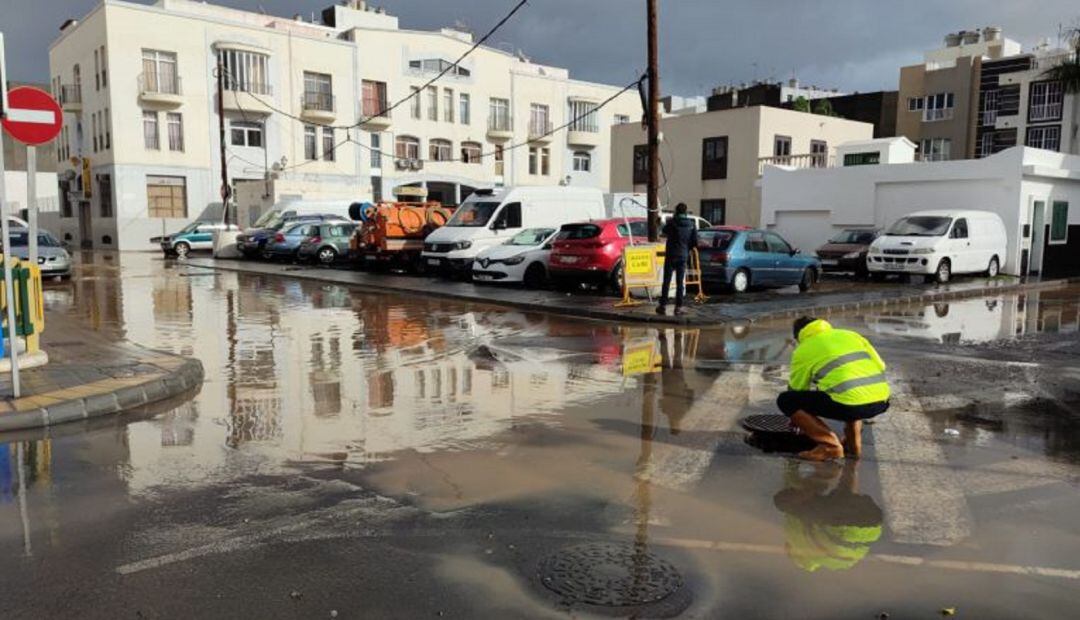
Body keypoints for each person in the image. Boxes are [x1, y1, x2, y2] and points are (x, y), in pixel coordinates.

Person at [777, 316, 890, 461]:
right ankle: (853, 446)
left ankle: (830, 447)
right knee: (849, 392)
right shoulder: (851, 335)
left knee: (786, 400)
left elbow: (796, 388)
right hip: (881, 400)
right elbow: (881, 365)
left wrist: (796, 418)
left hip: (851, 404)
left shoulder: (804, 348)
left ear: (799, 336)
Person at [656, 203, 699, 316]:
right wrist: (686, 249)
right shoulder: (691, 225)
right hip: (683, 256)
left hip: (671, 255)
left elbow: (664, 231)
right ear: (685, 212)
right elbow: (694, 242)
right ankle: (678, 307)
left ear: (676, 211)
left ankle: (662, 305)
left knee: (667, 281)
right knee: (680, 283)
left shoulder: (672, 223)